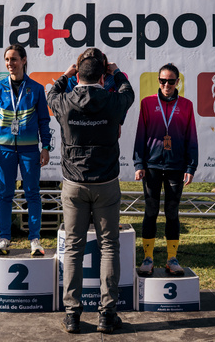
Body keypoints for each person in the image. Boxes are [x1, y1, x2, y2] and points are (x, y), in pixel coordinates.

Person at [47, 51, 134, 334]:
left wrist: (66, 74)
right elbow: (128, 91)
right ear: (102, 77)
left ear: (78, 75)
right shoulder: (113, 100)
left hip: (74, 184)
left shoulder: (63, 100)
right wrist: (116, 72)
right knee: (109, 246)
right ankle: (107, 315)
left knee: (74, 248)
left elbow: (51, 92)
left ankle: (72, 315)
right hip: (106, 183)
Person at [0, 44, 51, 257]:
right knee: (5, 193)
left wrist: (46, 147)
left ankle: (35, 239)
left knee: (32, 193)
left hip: (30, 150)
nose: (10, 63)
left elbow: (44, 120)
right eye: (7, 59)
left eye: (14, 59)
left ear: (24, 60)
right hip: (4, 149)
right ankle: (4, 238)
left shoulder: (36, 88)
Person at [133, 63, 198, 277]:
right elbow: (141, 134)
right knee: (150, 211)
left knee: (172, 212)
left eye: (171, 81)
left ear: (178, 82)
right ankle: (148, 258)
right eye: (163, 81)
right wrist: (139, 164)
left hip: (176, 166)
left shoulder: (186, 105)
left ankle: (172, 259)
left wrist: (191, 166)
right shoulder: (147, 103)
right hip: (151, 166)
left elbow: (191, 137)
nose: (166, 85)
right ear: (158, 81)